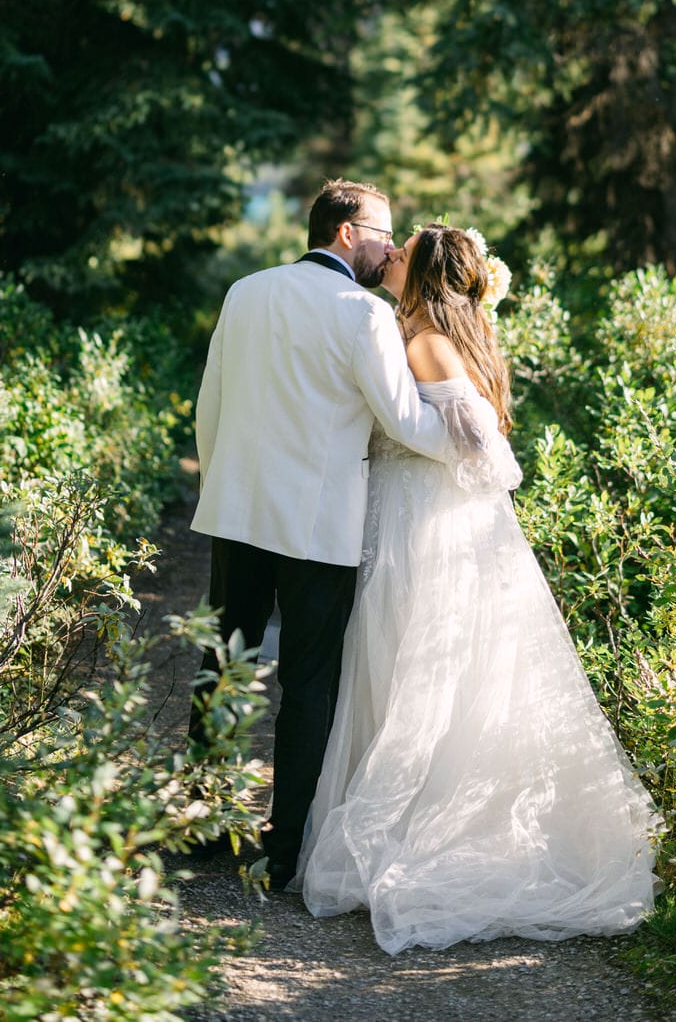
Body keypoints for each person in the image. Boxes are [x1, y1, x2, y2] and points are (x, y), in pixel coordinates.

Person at [297, 223, 660, 954]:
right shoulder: (428, 331)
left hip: (428, 527)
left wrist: (422, 462)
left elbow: (495, 457)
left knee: (420, 678)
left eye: (400, 254)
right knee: (422, 675)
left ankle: (426, 836)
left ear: (425, 274)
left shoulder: (426, 338)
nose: (388, 257)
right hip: (419, 516)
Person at [187, 180, 453, 890]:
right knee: (309, 685)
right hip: (316, 526)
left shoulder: (246, 291)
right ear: (346, 232)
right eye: (384, 233)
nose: (392, 248)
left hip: (236, 515)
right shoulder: (362, 314)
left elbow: (208, 407)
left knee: (224, 666)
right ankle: (285, 848)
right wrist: (470, 435)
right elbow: (403, 422)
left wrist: (219, 488)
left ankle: (204, 825)